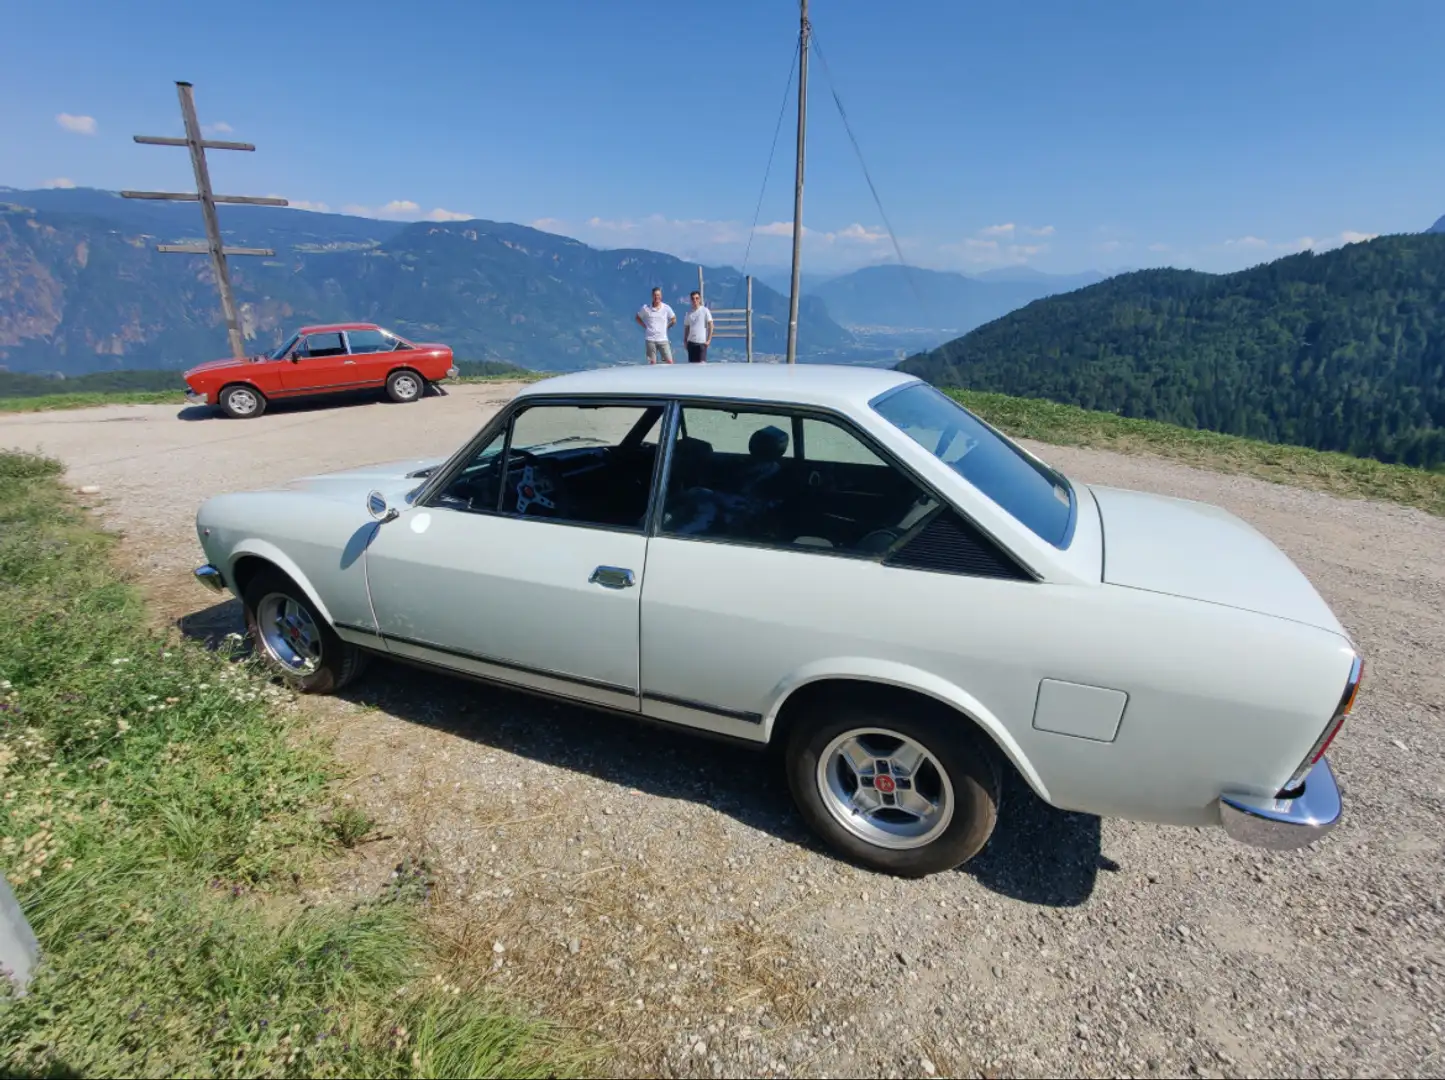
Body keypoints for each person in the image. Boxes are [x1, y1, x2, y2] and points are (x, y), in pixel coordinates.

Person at [635, 287, 676, 364]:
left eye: (658, 295)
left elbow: (673, 319)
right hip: (650, 339)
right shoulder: (646, 308)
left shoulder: (666, 308)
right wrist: (645, 326)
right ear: (652, 296)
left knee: (670, 362)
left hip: (663, 339)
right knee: (652, 363)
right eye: (655, 295)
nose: (657, 297)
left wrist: (667, 327)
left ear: (661, 296)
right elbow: (637, 318)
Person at [683, 290, 713, 363]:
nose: (695, 300)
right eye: (693, 298)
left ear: (699, 299)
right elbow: (687, 328)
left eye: (697, 298)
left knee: (702, 365)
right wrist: (685, 341)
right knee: (692, 366)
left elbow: (711, 325)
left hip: (701, 343)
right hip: (691, 343)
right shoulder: (688, 313)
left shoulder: (705, 311)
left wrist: (709, 340)